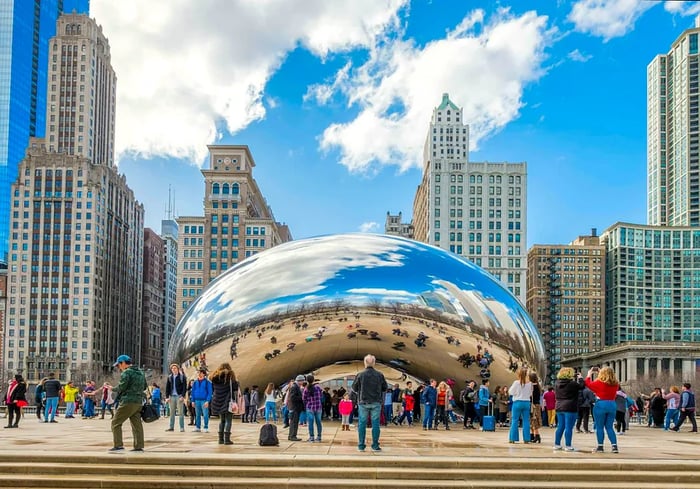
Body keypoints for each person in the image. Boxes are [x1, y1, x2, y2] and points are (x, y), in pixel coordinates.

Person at [109, 354, 147, 452]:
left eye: (119, 365)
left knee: (115, 422)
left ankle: (118, 445)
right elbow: (145, 387)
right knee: (136, 424)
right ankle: (138, 446)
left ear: (123, 363)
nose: (119, 368)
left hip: (128, 401)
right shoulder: (141, 372)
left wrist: (112, 388)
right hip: (138, 402)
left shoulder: (127, 373)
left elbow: (122, 387)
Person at [351, 354, 388, 452]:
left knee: (362, 423)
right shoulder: (379, 375)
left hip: (363, 402)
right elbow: (385, 388)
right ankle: (375, 445)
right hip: (376, 402)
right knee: (375, 424)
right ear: (374, 363)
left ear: (365, 363)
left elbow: (354, 388)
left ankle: (361, 445)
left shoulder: (360, 375)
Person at [585, 366, 619, 453]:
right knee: (609, 427)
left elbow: (588, 384)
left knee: (600, 427)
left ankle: (600, 446)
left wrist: (589, 374)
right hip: (612, 404)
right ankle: (614, 446)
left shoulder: (599, 383)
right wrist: (602, 372)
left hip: (601, 404)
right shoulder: (616, 384)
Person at [553, 367, 584, 452]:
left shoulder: (556, 383)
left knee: (560, 426)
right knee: (569, 427)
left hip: (559, 406)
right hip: (570, 407)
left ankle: (557, 444)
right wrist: (580, 378)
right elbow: (582, 386)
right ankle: (568, 446)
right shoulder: (572, 384)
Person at [209, 362, 238, 445]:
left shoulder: (214, 377)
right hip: (228, 401)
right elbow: (235, 388)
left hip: (217, 401)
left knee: (222, 420)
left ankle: (220, 439)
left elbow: (213, 389)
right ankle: (227, 440)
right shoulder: (230, 376)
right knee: (228, 420)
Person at [508, 367, 532, 444]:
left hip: (517, 402)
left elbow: (511, 392)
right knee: (526, 421)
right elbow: (531, 394)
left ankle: (512, 438)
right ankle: (527, 439)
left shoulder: (516, 382)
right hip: (527, 403)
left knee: (515, 420)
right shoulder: (530, 383)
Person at [165, 363, 187, 432]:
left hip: (179, 396)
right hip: (171, 396)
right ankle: (171, 427)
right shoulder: (169, 377)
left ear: (178, 369)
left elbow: (184, 387)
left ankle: (182, 427)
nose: (173, 369)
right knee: (171, 413)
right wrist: (167, 397)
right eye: (172, 368)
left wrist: (183, 396)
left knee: (181, 412)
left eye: (175, 368)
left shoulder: (182, 377)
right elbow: (167, 388)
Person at [190, 368, 212, 433]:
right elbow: (192, 392)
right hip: (196, 400)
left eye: (200, 373)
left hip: (204, 400)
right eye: (198, 373)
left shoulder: (208, 382)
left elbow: (210, 392)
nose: (199, 374)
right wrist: (192, 401)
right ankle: (198, 427)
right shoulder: (195, 382)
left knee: (205, 414)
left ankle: (206, 427)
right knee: (197, 415)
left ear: (204, 374)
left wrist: (207, 401)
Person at [303, 374, 323, 442]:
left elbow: (304, 399)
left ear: (307, 381)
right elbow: (321, 396)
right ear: (313, 380)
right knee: (318, 422)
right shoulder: (318, 387)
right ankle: (319, 437)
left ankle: (311, 437)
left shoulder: (306, 389)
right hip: (318, 407)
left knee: (310, 423)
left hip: (310, 408)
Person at [287, 375, 305, 441]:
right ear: (300, 381)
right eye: (303, 381)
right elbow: (293, 397)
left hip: (295, 408)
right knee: (294, 422)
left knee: (294, 422)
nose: (303, 382)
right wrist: (302, 398)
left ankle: (292, 435)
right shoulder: (295, 387)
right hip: (295, 408)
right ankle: (292, 436)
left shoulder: (296, 386)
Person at [529, 373, 542, 443]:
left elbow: (531, 396)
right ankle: (533, 434)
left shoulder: (532, 386)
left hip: (533, 405)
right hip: (537, 404)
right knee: (533, 420)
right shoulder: (538, 386)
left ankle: (536, 435)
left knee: (533, 419)